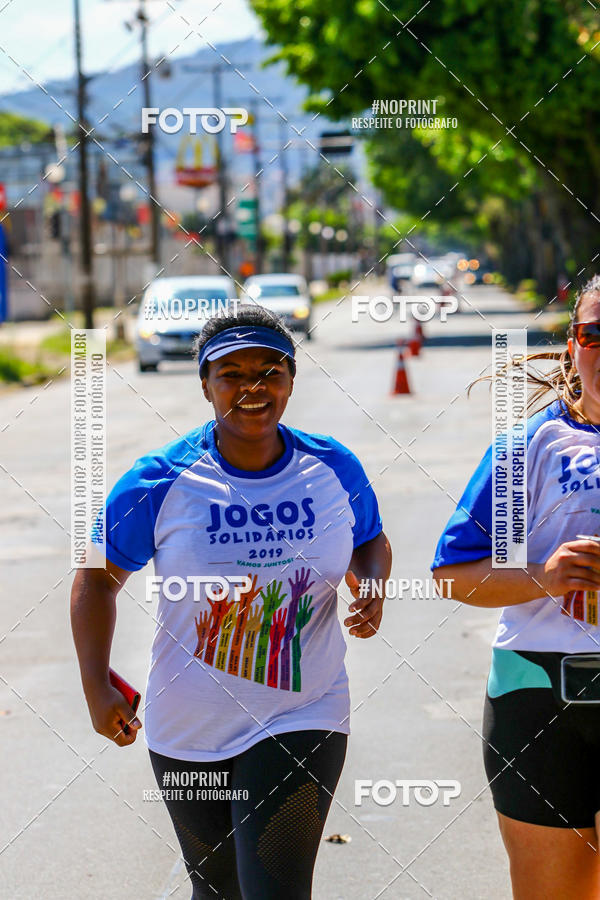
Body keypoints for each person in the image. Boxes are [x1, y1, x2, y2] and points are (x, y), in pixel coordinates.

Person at [71, 304, 392, 900]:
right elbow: (95, 577)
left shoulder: (332, 467)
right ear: (205, 385)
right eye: (232, 373)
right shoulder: (160, 480)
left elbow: (370, 540)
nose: (253, 387)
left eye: (270, 370)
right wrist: (97, 687)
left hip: (304, 710)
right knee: (216, 889)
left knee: (275, 889)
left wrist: (370, 587)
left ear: (292, 380)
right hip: (189, 724)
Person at [432, 275, 600, 899]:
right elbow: (451, 577)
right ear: (572, 345)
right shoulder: (529, 446)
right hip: (535, 695)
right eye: (595, 334)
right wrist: (544, 577)